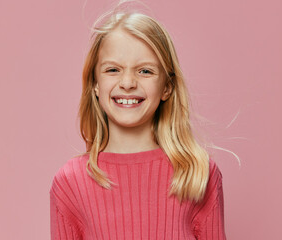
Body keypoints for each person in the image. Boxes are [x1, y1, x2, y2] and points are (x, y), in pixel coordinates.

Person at [49, 4, 226, 240]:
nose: (128, 82)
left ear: (167, 86)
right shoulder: (70, 182)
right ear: (95, 84)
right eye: (113, 69)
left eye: (145, 71)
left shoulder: (198, 173)